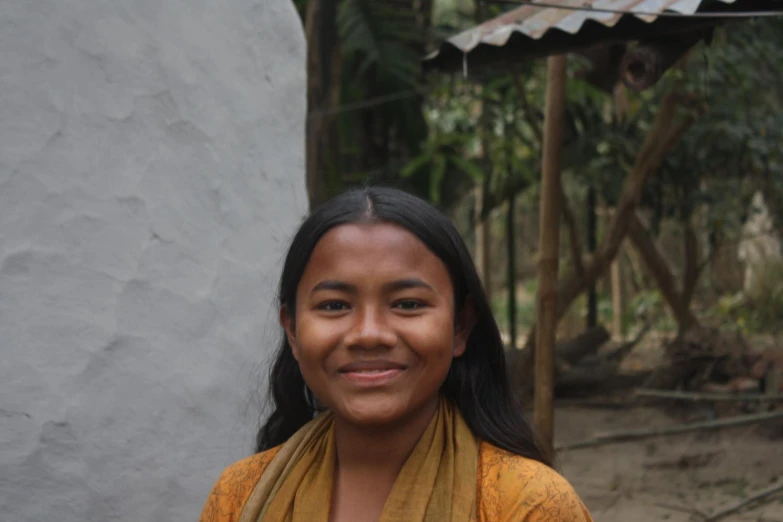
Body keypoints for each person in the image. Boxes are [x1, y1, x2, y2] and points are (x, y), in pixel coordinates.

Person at [199, 187, 593, 522]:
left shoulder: (526, 505)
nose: (369, 334)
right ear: (293, 331)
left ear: (460, 326)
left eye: (407, 304)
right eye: (335, 306)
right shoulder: (240, 498)